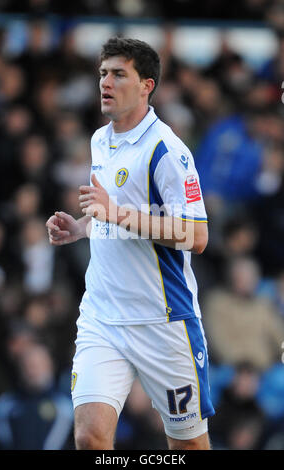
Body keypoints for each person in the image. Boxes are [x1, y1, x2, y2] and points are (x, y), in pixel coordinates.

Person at [46, 37, 215, 451]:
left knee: (188, 445)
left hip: (163, 321)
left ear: (146, 85)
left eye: (119, 73)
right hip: (102, 316)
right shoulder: (99, 140)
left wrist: (113, 214)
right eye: (103, 72)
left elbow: (197, 236)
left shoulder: (167, 150)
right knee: (90, 437)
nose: (105, 81)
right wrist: (83, 228)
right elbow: (114, 214)